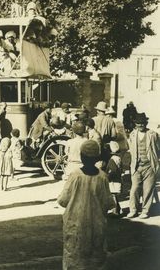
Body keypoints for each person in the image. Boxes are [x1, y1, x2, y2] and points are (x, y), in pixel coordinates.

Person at [57, 140, 115, 270]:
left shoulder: (75, 176)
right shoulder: (102, 177)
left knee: (74, 257)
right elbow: (108, 203)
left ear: (81, 156)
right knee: (95, 259)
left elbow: (63, 201)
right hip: (96, 224)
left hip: (75, 223)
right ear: (97, 158)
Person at [127, 113, 160, 219]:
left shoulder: (153, 134)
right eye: (138, 123)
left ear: (145, 123)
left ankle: (145, 211)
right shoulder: (132, 135)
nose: (140, 125)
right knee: (134, 189)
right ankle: (133, 210)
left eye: (142, 123)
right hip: (136, 166)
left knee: (148, 189)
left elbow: (158, 148)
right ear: (135, 124)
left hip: (149, 166)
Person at [102, 141, 123, 216]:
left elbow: (112, 171)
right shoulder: (118, 158)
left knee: (113, 195)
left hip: (113, 181)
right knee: (115, 195)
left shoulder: (112, 160)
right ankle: (118, 209)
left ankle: (115, 211)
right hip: (118, 179)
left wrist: (108, 177)